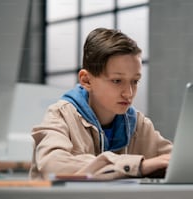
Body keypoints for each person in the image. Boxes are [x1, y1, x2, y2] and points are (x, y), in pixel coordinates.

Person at [29, 28, 173, 181]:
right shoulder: (60, 115)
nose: (129, 93)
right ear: (86, 80)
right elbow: (53, 166)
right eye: (117, 81)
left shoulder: (137, 123)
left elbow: (176, 161)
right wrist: (137, 166)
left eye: (135, 81)